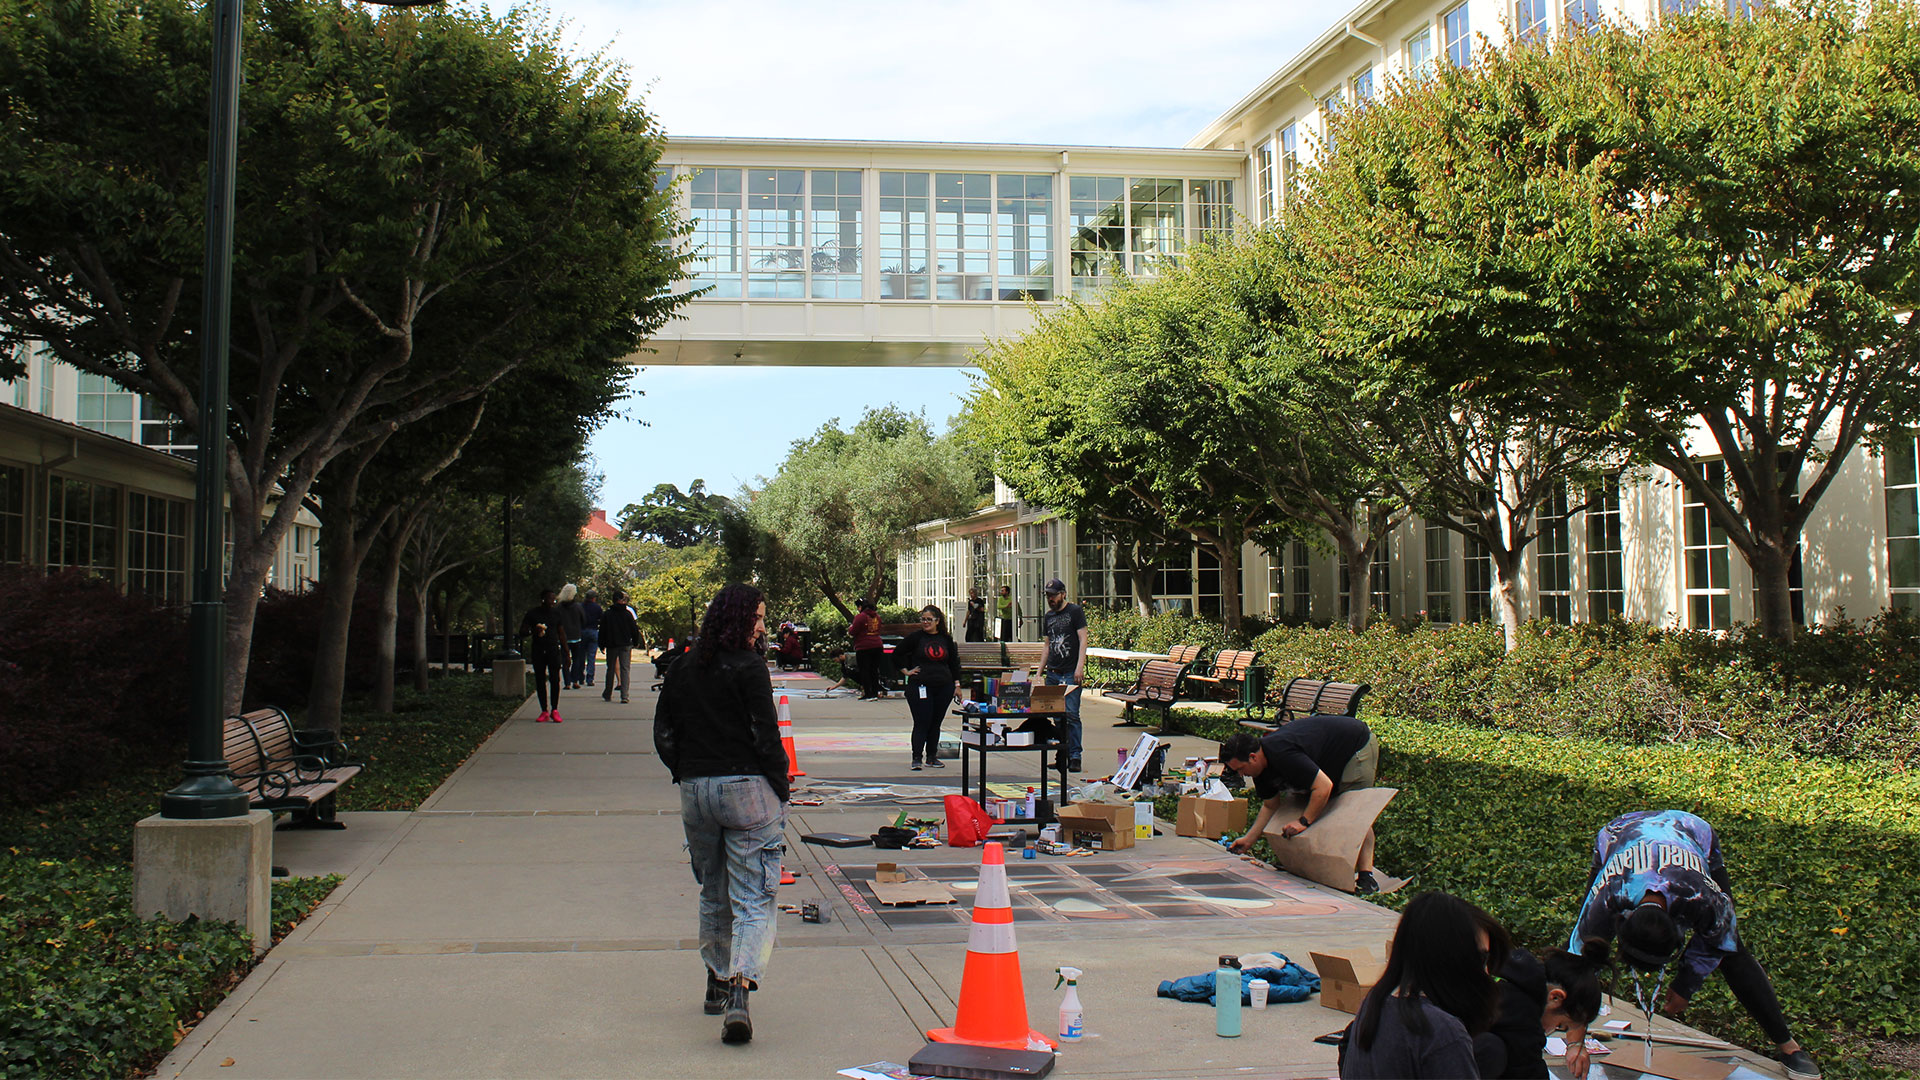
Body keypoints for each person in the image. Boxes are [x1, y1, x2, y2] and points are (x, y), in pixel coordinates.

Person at [1563, 810, 1820, 1080]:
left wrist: (1686, 983)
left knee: (1733, 951)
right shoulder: (1610, 893)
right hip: (1620, 833)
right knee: (1587, 949)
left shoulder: (1704, 898)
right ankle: (1551, 1018)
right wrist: (1575, 1042)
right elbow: (1580, 960)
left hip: (1688, 830)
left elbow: (1721, 941)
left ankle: (1789, 1048)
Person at [653, 584, 788, 1045]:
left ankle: (714, 978)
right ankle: (740, 993)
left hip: (696, 790)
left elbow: (664, 732)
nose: (763, 627)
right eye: (758, 619)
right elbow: (765, 733)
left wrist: (686, 772)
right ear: (739, 620)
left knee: (713, 888)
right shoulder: (750, 668)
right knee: (754, 895)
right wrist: (780, 784)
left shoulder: (684, 665)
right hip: (748, 787)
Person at [1339, 891, 1503, 1079]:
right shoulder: (1441, 1032)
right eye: (1481, 959)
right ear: (1451, 958)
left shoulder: (1376, 1004)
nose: (1486, 974)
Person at [1219, 716, 1383, 893]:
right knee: (1313, 804)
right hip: (1326, 755)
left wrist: (1304, 821)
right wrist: (1248, 840)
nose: (1242, 775)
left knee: (1353, 808)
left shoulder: (1283, 753)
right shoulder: (1259, 770)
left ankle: (1367, 877)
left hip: (1355, 745)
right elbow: (1270, 806)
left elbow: (1324, 786)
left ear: (1253, 757)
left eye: (1241, 769)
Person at [1474, 942, 1609, 1079]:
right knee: (1491, 1050)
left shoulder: (1510, 975)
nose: (1550, 1031)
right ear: (1556, 998)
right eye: (1560, 1025)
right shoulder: (1521, 1013)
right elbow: (1529, 1069)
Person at [899, 604, 962, 771]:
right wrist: (906, 671)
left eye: (929, 619)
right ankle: (917, 757)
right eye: (923, 619)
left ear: (937, 621)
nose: (925, 622)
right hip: (920, 686)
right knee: (922, 722)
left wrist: (957, 684)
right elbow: (897, 653)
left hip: (943, 686)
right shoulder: (916, 638)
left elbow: (954, 663)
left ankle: (932, 756)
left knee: (935, 722)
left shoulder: (945, 639)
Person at [1038, 578, 1088, 772]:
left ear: (1063, 594)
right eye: (1048, 595)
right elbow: (1047, 645)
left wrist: (1079, 667)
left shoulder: (1074, 612)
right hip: (1053, 672)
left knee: (1072, 714)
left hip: (1069, 672)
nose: (1051, 599)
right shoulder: (1049, 616)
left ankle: (1075, 755)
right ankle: (1062, 752)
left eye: (1054, 595)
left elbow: (1083, 639)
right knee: (1056, 716)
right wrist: (1039, 672)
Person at [518, 589, 568, 723]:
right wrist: (533, 630)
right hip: (538, 650)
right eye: (550, 599)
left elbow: (561, 633)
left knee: (555, 679)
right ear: (543, 599)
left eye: (554, 599)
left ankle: (555, 710)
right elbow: (522, 631)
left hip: (553, 650)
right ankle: (544, 710)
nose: (552, 602)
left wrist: (566, 653)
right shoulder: (532, 614)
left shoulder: (556, 614)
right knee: (540, 680)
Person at [598, 590, 642, 704]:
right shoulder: (627, 614)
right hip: (625, 644)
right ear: (621, 600)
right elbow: (634, 629)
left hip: (612, 644)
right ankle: (624, 695)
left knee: (611, 668)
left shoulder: (608, 614)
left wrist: (601, 644)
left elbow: (602, 630)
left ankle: (608, 693)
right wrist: (636, 641)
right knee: (625, 669)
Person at [849, 598, 885, 701]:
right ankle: (875, 692)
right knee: (874, 670)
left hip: (864, 647)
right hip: (877, 646)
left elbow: (853, 631)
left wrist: (850, 628)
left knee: (864, 670)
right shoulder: (877, 617)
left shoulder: (860, 617)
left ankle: (868, 694)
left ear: (861, 607)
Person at [555, 583, 585, 689]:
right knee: (576, 659)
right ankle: (575, 681)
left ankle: (567, 682)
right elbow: (583, 620)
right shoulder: (578, 607)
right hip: (576, 636)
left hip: (563, 637)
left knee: (565, 659)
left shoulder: (558, 608)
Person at [576, 590, 604, 688]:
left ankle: (580, 676)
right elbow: (602, 619)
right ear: (593, 598)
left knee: (581, 655)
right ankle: (590, 678)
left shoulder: (580, 606)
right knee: (591, 656)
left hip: (582, 631)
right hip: (593, 631)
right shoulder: (597, 607)